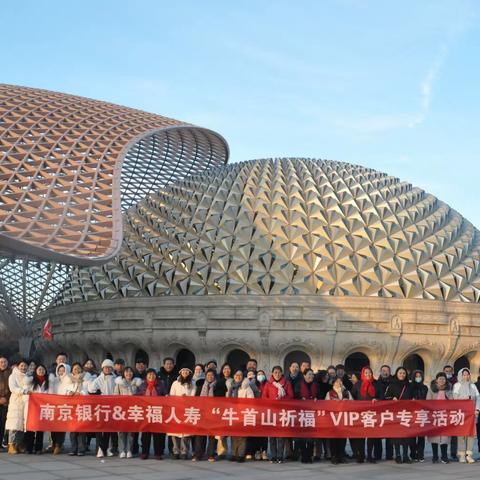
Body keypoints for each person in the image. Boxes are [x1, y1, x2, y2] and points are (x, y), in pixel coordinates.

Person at [262, 365, 293, 463]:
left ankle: (280, 456)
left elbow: (291, 396)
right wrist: (272, 401)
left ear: (282, 373)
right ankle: (273, 455)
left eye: (279, 372)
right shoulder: (268, 384)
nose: (277, 374)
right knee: (271, 436)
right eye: (275, 372)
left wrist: (281, 400)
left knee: (281, 435)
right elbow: (264, 397)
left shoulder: (286, 383)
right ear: (272, 373)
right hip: (271, 412)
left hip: (282, 412)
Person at [137, 368, 167, 460]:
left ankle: (158, 453)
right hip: (146, 412)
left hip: (157, 412)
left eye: (153, 374)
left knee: (157, 434)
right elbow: (138, 396)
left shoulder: (161, 384)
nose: (151, 376)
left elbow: (165, 394)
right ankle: (145, 452)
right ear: (146, 376)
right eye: (149, 374)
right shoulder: (142, 385)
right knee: (145, 434)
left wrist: (166, 396)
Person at [88, 359, 116, 457]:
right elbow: (90, 388)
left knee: (108, 428)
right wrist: (98, 393)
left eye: (109, 367)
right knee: (100, 428)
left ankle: (106, 448)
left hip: (112, 406)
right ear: (102, 368)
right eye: (105, 367)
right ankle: (99, 448)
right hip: (101, 405)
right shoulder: (99, 378)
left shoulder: (115, 378)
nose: (107, 369)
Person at [384, 367, 412, 464]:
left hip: (406, 413)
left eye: (404, 373)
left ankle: (405, 455)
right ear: (396, 374)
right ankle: (398, 455)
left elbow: (413, 397)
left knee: (406, 436)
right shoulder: (392, 385)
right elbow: (386, 397)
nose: (402, 375)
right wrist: (392, 398)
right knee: (396, 436)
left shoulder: (409, 385)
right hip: (396, 414)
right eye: (400, 373)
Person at [351, 366, 379, 463]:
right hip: (360, 413)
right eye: (366, 373)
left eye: (370, 372)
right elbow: (353, 396)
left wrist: (377, 399)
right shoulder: (358, 384)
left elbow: (381, 396)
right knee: (360, 436)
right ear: (363, 374)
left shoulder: (376, 383)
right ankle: (361, 455)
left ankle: (370, 456)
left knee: (371, 436)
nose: (368, 374)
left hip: (372, 413)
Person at [452, 367, 480, 463]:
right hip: (461, 413)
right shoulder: (457, 385)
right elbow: (455, 398)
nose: (466, 376)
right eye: (464, 374)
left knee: (471, 434)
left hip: (471, 414)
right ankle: (462, 454)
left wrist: (477, 409)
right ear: (461, 375)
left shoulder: (473, 386)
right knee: (461, 434)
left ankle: (469, 454)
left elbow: (478, 397)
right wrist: (465, 398)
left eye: (467, 374)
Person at [114, 366, 143, 458]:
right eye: (126, 372)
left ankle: (129, 450)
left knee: (131, 432)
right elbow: (115, 396)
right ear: (123, 373)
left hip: (133, 410)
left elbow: (141, 395)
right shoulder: (119, 383)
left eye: (130, 372)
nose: (128, 373)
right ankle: (122, 450)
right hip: (121, 410)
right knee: (121, 431)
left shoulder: (137, 383)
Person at [227, 370, 254, 462]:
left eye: (240, 375)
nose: (238, 376)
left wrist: (244, 408)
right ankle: (234, 454)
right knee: (233, 435)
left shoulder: (246, 387)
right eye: (236, 375)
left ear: (243, 377)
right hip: (232, 413)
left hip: (243, 413)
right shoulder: (231, 387)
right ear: (233, 376)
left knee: (242, 435)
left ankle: (241, 454)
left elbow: (252, 400)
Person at [169, 366, 196, 459]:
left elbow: (193, 395)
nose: (185, 372)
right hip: (176, 409)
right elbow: (172, 395)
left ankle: (184, 451)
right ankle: (175, 450)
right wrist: (179, 398)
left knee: (186, 432)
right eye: (183, 371)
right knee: (174, 432)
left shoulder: (192, 383)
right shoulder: (175, 383)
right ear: (180, 372)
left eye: (187, 371)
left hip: (187, 410)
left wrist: (187, 399)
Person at [325, 377, 353, 464]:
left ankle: (341, 455)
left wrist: (347, 401)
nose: (339, 382)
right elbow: (325, 405)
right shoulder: (330, 393)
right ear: (333, 383)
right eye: (337, 381)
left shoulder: (346, 392)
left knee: (343, 437)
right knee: (333, 438)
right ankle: (334, 456)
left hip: (344, 418)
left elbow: (353, 403)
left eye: (340, 381)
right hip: (333, 418)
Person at [6, 359, 30, 454]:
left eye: (25, 366)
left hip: (26, 402)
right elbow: (12, 388)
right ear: (18, 366)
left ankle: (18, 444)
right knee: (14, 424)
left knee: (22, 425)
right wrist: (23, 391)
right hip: (16, 402)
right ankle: (10, 444)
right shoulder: (13, 376)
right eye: (22, 365)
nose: (23, 367)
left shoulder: (29, 376)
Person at [193, 368, 217, 461]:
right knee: (200, 434)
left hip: (214, 413)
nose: (210, 377)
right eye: (208, 375)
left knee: (212, 435)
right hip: (202, 413)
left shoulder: (217, 386)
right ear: (205, 376)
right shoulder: (201, 386)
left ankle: (211, 454)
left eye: (212, 375)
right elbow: (195, 399)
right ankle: (198, 454)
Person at [24, 364, 49, 454]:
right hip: (32, 407)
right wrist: (28, 393)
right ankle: (29, 448)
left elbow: (50, 394)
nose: (41, 371)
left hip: (43, 408)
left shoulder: (48, 382)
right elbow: (25, 391)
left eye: (43, 369)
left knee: (40, 428)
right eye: (39, 369)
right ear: (36, 371)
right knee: (30, 427)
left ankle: (38, 448)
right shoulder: (31, 381)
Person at [427, 372, 452, 463]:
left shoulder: (449, 390)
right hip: (434, 416)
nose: (441, 380)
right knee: (434, 437)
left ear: (446, 380)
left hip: (445, 416)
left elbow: (453, 401)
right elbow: (428, 401)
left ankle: (444, 456)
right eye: (440, 379)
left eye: (443, 379)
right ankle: (435, 456)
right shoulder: (431, 389)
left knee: (445, 437)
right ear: (436, 380)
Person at [49, 363, 73, 454]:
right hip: (54, 406)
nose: (61, 372)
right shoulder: (55, 380)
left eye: (63, 370)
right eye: (59, 370)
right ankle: (54, 444)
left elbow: (71, 390)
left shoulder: (69, 380)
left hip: (64, 406)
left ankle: (59, 445)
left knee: (61, 427)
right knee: (53, 427)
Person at [245, 369, 268, 461]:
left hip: (265, 411)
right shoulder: (252, 384)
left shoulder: (267, 384)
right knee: (256, 432)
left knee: (264, 433)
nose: (260, 376)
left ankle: (264, 450)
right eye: (258, 374)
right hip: (254, 411)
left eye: (262, 374)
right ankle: (257, 450)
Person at [296, 368, 318, 463]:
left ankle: (309, 456)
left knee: (311, 437)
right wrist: (301, 398)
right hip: (301, 413)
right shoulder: (299, 384)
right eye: (309, 374)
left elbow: (319, 394)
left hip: (312, 414)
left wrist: (317, 398)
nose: (311, 376)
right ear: (304, 375)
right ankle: (304, 456)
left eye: (312, 374)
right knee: (302, 437)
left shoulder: (315, 385)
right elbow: (295, 394)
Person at [68, 362, 88, 456]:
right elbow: (65, 389)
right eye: (74, 368)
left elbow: (88, 390)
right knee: (72, 429)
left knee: (81, 429)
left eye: (78, 368)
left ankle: (81, 449)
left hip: (82, 406)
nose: (76, 370)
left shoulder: (85, 377)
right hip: (71, 407)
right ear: (72, 370)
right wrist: (70, 392)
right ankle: (73, 448)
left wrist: (80, 393)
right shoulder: (69, 379)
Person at [410, 370, 428, 462]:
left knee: (421, 436)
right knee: (412, 435)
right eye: (416, 376)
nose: (418, 377)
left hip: (422, 413)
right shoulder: (409, 387)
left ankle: (420, 454)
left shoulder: (425, 387)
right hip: (412, 413)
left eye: (419, 376)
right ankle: (413, 454)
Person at [376, 365, 393, 461]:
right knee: (378, 434)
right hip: (379, 411)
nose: (385, 372)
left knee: (389, 434)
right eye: (383, 370)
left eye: (387, 371)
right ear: (380, 371)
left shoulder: (393, 382)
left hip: (390, 411)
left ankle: (389, 455)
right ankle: (378, 455)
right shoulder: (376, 383)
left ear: (390, 372)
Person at [443, 364, 458, 461]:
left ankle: (453, 453)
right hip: (443, 412)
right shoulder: (440, 382)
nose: (448, 373)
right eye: (446, 371)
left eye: (449, 371)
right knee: (443, 434)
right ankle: (443, 454)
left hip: (454, 411)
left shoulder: (456, 382)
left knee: (454, 434)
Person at [0, 356, 11, 452]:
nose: (3, 364)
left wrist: (6, 398)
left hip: (7, 403)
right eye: (1, 362)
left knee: (3, 423)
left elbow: (12, 388)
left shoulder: (11, 373)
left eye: (5, 362)